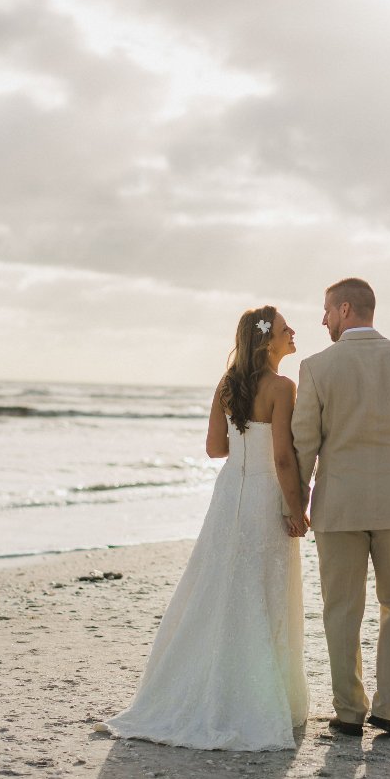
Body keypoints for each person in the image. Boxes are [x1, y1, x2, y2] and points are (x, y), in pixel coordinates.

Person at [99, 306, 310, 751]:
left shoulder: (227, 385)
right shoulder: (281, 387)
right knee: (262, 590)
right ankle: (254, 697)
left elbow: (215, 448)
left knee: (218, 587)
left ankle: (200, 687)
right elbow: (284, 458)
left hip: (229, 491)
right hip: (262, 497)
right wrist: (297, 507)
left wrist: (242, 446)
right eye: (285, 328)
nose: (294, 332)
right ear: (267, 340)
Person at [291, 278, 390, 738]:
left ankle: (348, 712)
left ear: (345, 309)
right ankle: (389, 710)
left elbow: (305, 443)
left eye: (325, 311)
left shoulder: (317, 367)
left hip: (338, 506)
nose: (322, 320)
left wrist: (297, 502)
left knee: (342, 609)